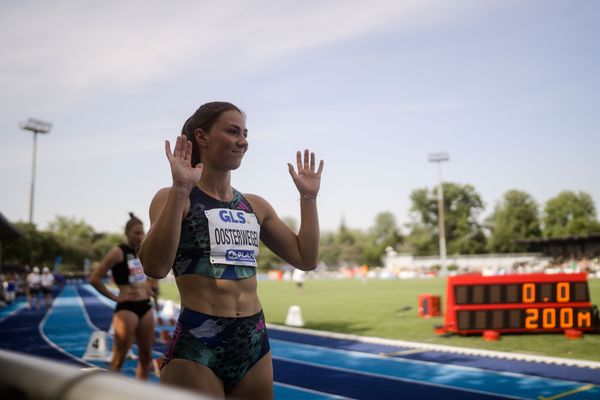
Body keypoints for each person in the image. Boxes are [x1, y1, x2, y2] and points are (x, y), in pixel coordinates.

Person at [140, 101, 324, 399]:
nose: (243, 141)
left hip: (253, 340)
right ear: (202, 137)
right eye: (232, 131)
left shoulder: (256, 206)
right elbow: (155, 267)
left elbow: (306, 259)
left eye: (245, 133)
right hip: (199, 341)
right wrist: (180, 190)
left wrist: (308, 198)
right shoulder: (174, 197)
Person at [89, 213, 155, 380]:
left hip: (146, 306)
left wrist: (149, 288)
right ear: (127, 233)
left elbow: (150, 276)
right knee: (119, 359)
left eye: (142, 232)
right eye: (136, 233)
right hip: (127, 308)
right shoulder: (117, 252)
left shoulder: (145, 252)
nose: (140, 236)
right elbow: (94, 278)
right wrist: (114, 297)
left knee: (146, 357)